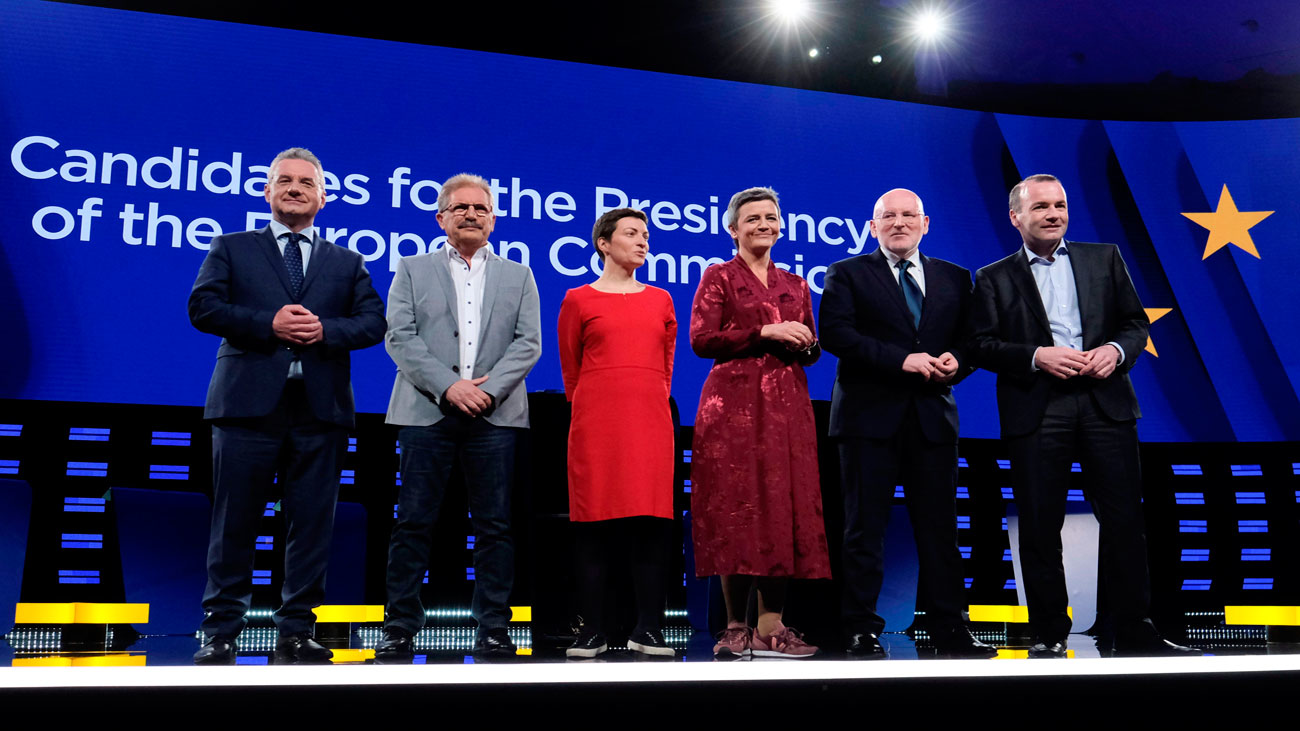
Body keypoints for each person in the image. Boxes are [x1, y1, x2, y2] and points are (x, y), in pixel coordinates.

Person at [967, 174, 1200, 657]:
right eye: (1041, 207)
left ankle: (1134, 628)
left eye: (1060, 205)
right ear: (1016, 218)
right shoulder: (992, 276)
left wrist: (1116, 349)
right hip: (1038, 405)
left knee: (1123, 521)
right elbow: (980, 345)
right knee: (1038, 524)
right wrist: (1036, 356)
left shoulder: (1104, 258)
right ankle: (1050, 633)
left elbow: (1135, 323)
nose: (1053, 214)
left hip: (1104, 402)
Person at [188, 147, 386, 664]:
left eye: (305, 182)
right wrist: (268, 324)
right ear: (268, 191)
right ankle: (219, 631)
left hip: (319, 411)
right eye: (285, 181)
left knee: (313, 524)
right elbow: (202, 307)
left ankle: (297, 629)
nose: (295, 188)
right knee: (235, 523)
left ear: (323, 196)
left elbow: (373, 322)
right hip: (247, 406)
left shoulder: (348, 262)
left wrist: (325, 330)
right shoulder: (231, 247)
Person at [820, 188, 997, 659]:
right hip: (866, 420)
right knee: (864, 529)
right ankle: (860, 629)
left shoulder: (956, 279)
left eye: (908, 215)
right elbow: (837, 333)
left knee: (940, 529)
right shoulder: (847, 273)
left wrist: (955, 362)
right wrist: (904, 360)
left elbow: (975, 340)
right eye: (888, 216)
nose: (899, 222)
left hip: (932, 421)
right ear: (872, 227)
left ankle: (950, 628)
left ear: (926, 223)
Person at [375, 173, 541, 660]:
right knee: (413, 524)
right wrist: (449, 385)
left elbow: (528, 343)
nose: (471, 214)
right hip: (426, 411)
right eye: (460, 207)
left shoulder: (520, 274)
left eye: (481, 208)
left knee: (494, 526)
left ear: (493, 219)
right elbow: (399, 336)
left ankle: (492, 626)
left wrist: (484, 391)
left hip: (495, 414)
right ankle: (400, 626)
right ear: (440, 217)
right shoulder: (411, 268)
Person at [689, 187, 831, 659]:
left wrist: (806, 343)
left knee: (782, 508)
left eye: (771, 217)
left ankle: (772, 628)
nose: (763, 225)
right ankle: (734, 627)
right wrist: (764, 331)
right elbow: (702, 339)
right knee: (737, 508)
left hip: (787, 407)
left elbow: (810, 348)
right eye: (752, 219)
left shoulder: (796, 284)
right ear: (733, 229)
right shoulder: (718, 277)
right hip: (732, 406)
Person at [557, 208, 677, 659]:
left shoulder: (661, 300)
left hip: (649, 421)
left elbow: (665, 367)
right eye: (631, 234)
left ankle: (647, 629)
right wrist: (594, 406)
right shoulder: (578, 299)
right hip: (596, 423)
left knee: (650, 524)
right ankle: (591, 630)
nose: (643, 241)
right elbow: (571, 368)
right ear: (604, 244)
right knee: (594, 525)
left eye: (645, 235)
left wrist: (646, 400)